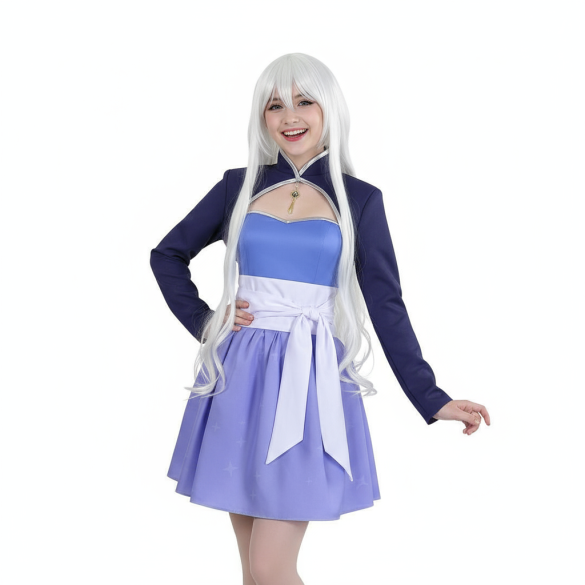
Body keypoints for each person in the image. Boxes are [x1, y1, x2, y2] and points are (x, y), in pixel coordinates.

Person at [150, 52, 490, 585]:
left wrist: (431, 397)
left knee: (269, 567)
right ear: (261, 117)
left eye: (304, 101)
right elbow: (167, 255)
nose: (290, 116)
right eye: (275, 105)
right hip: (238, 378)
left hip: (307, 382)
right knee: (254, 572)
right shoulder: (239, 185)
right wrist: (206, 321)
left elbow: (386, 304)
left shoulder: (359, 199)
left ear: (329, 108)